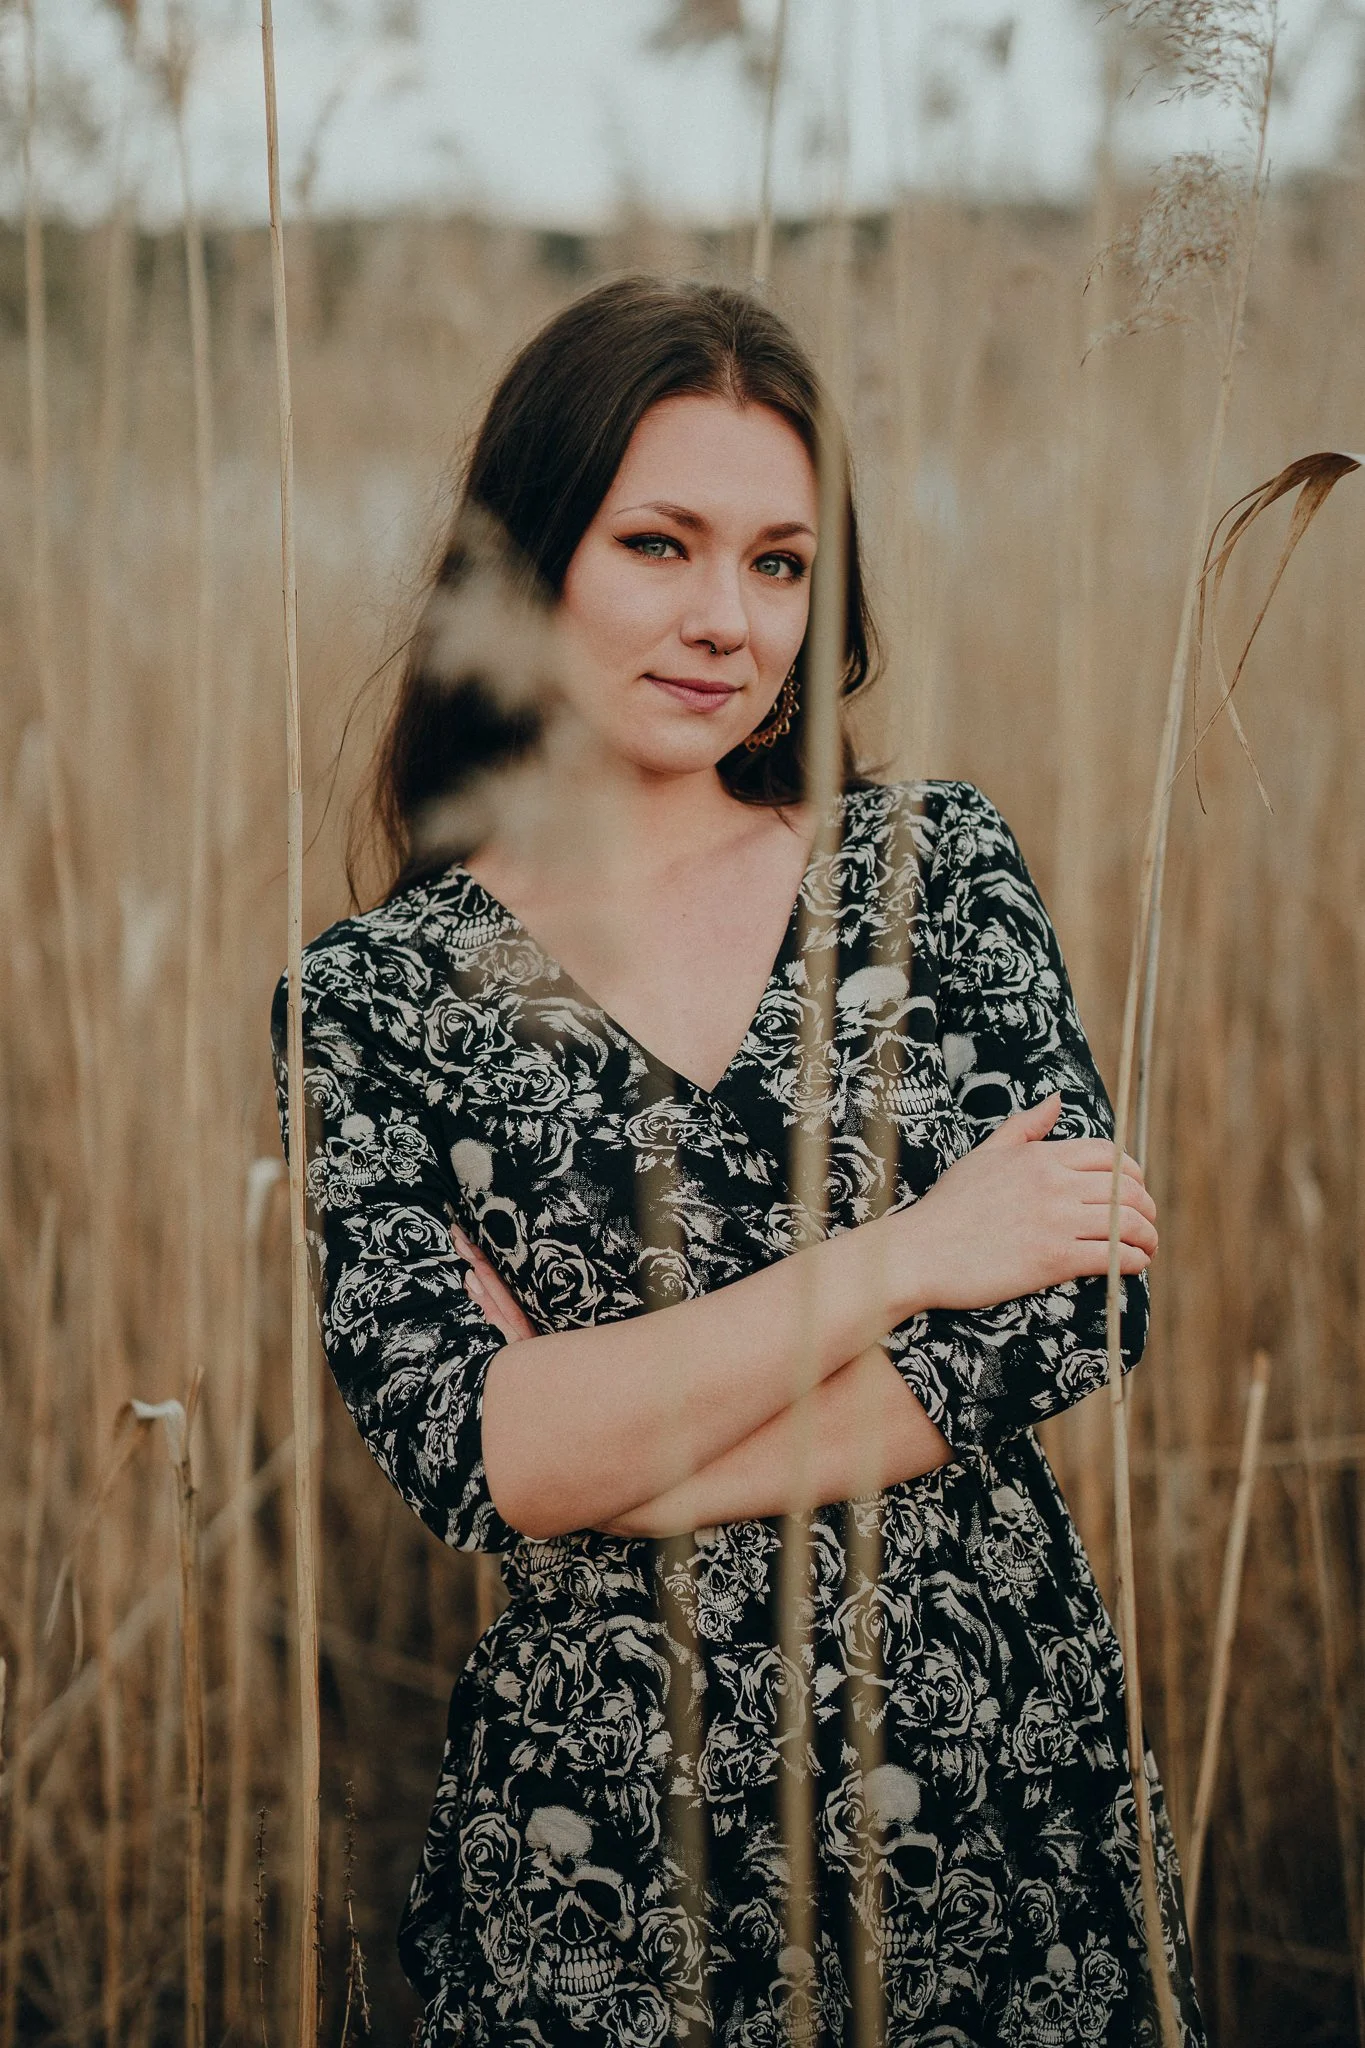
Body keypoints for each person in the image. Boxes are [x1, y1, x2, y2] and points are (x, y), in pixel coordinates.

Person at [270, 276, 1204, 2046]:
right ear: (529, 558)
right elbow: (474, 1453)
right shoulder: (375, 1002)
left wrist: (620, 1448)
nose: (727, 619)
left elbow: (1071, 1313)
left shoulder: (933, 870)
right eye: (660, 544)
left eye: (781, 563)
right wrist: (907, 1258)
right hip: (615, 1854)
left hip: (999, 1799)